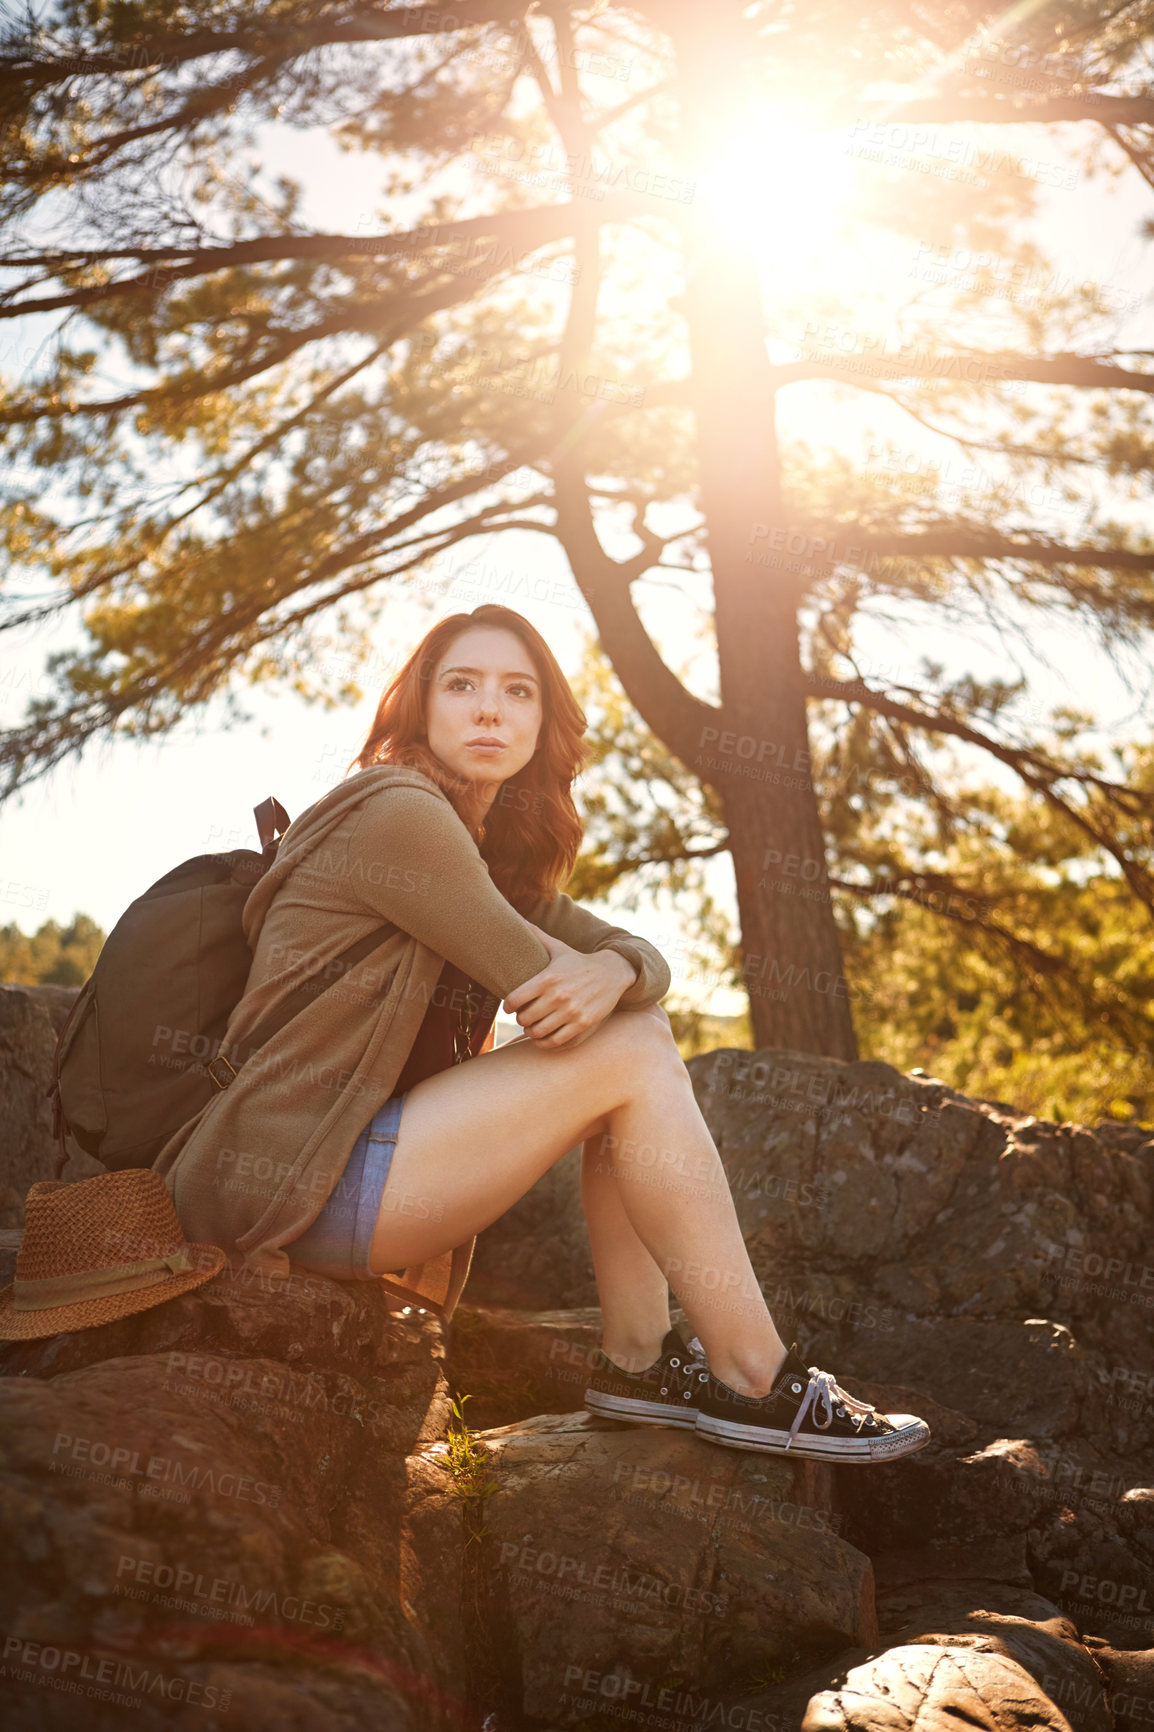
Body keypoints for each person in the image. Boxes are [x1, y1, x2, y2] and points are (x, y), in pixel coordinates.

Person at [158, 603, 928, 1463]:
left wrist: (618, 971)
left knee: (628, 1045)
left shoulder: (478, 847)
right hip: (283, 1184)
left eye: (517, 692)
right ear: (419, 707)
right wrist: (611, 982)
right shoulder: (397, 813)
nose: (490, 709)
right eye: (463, 685)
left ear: (540, 721)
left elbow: (631, 958)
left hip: (338, 1169)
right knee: (628, 1050)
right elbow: (539, 982)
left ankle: (638, 1362)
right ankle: (754, 1376)